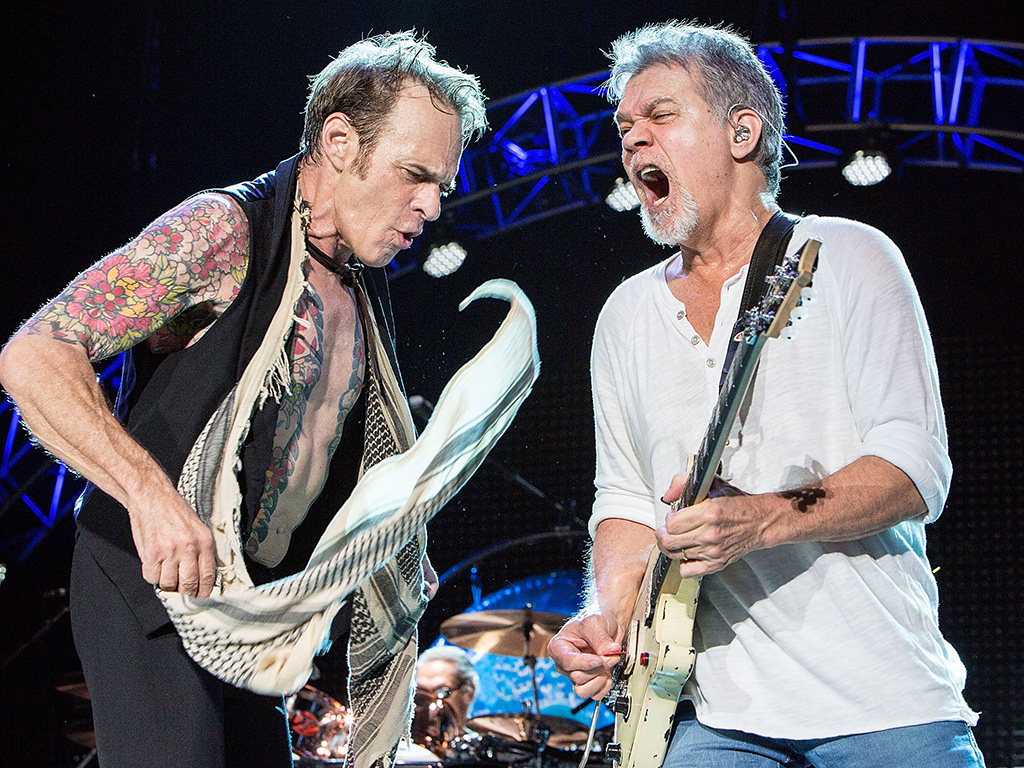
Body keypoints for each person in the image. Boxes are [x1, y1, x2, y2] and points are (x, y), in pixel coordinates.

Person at [0, 32, 486, 768]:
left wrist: (394, 542)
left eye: (441, 186)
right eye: (414, 175)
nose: (430, 205)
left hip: (249, 606)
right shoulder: (226, 230)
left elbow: (330, 448)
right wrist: (149, 496)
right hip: (149, 581)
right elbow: (35, 354)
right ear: (339, 141)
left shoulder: (363, 278)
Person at [547, 21, 986, 768]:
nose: (633, 140)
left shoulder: (848, 256)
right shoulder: (625, 314)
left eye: (660, 115)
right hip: (713, 713)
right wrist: (606, 618)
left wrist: (761, 521)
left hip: (886, 702)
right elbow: (624, 501)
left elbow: (915, 468)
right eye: (624, 125)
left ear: (741, 131)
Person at [413, 645, 480, 754]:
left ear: (469, 692)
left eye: (441, 692)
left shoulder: (477, 752)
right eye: (422, 692)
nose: (430, 704)